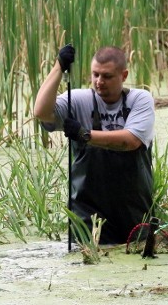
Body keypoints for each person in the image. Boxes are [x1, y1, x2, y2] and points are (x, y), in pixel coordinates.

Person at [33, 44, 155, 245]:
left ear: (123, 76)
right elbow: (41, 112)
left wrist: (84, 134)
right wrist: (59, 67)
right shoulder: (80, 100)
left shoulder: (139, 99)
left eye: (106, 76)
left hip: (134, 210)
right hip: (87, 212)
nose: (99, 82)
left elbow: (130, 141)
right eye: (95, 75)